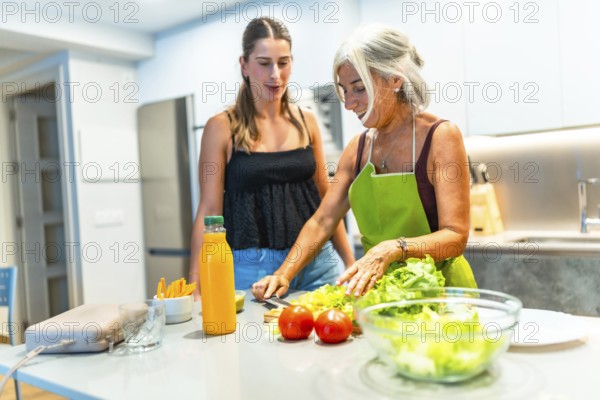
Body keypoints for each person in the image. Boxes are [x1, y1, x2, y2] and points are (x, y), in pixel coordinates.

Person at [252, 24, 477, 301]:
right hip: (379, 296)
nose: (348, 103)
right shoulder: (358, 149)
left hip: (441, 293)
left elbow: (455, 236)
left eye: (358, 88)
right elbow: (322, 221)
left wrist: (394, 248)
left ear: (395, 79)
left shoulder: (441, 137)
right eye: (344, 91)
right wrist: (283, 273)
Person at [189, 17, 355, 296]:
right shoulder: (221, 127)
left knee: (326, 336)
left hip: (316, 262)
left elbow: (327, 202)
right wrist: (196, 285)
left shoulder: (307, 121)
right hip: (251, 268)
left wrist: (350, 262)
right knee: (251, 340)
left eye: (283, 62)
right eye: (264, 63)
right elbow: (209, 211)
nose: (275, 74)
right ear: (244, 65)